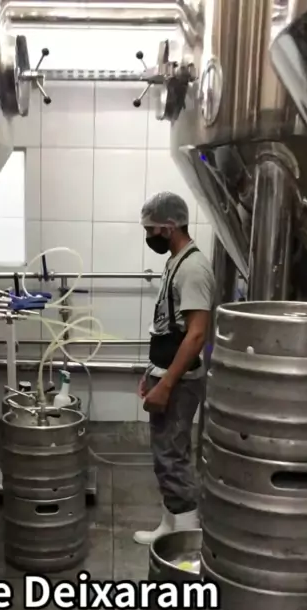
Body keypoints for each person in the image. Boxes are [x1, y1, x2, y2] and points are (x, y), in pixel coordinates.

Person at [134, 191, 215, 545]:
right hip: (166, 373)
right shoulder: (176, 262)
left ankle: (185, 541)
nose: (148, 236)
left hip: (180, 382)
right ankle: (171, 525)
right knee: (166, 454)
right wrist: (151, 373)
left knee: (172, 456)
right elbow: (168, 326)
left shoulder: (194, 270)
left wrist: (166, 385)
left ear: (168, 227)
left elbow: (196, 335)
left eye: (150, 229)